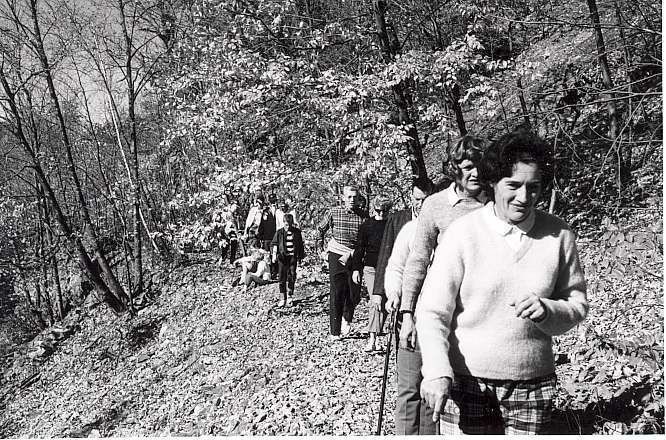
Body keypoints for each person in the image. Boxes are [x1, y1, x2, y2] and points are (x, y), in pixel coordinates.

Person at [416, 129, 588, 434]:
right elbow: (432, 312)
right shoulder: (463, 234)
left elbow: (576, 304)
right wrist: (437, 370)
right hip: (466, 383)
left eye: (533, 187)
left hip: (532, 385)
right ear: (493, 181)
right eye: (514, 185)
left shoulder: (559, 235)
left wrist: (549, 310)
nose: (524, 197)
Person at [392, 136, 489, 435]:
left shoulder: (495, 204)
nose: (476, 173)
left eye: (480, 165)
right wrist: (408, 314)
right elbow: (418, 261)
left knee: (454, 395)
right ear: (455, 169)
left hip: (473, 316)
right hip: (431, 311)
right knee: (413, 389)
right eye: (468, 167)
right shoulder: (435, 205)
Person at [317, 185, 368, 340]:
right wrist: (321, 251)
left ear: (359, 199)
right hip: (336, 254)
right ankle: (335, 331)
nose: (352, 200)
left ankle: (347, 317)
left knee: (354, 292)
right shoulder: (334, 212)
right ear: (343, 198)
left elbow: (367, 239)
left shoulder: (363, 216)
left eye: (355, 197)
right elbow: (320, 230)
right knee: (337, 292)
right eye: (349, 197)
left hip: (355, 255)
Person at [351, 194, 392, 352]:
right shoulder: (367, 225)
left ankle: (377, 335)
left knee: (384, 302)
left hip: (389, 268)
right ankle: (372, 338)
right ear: (375, 209)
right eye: (379, 210)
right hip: (371, 268)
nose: (381, 213)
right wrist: (356, 269)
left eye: (385, 210)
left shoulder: (392, 224)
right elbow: (359, 248)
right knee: (376, 300)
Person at [271, 213, 305, 307]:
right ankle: (282, 298)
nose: (288, 227)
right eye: (286, 224)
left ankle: (290, 296)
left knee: (292, 276)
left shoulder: (297, 232)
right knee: (282, 277)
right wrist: (274, 255)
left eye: (290, 224)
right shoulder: (279, 232)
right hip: (282, 258)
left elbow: (300, 245)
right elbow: (274, 244)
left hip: (292, 257)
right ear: (283, 223)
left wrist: (301, 257)